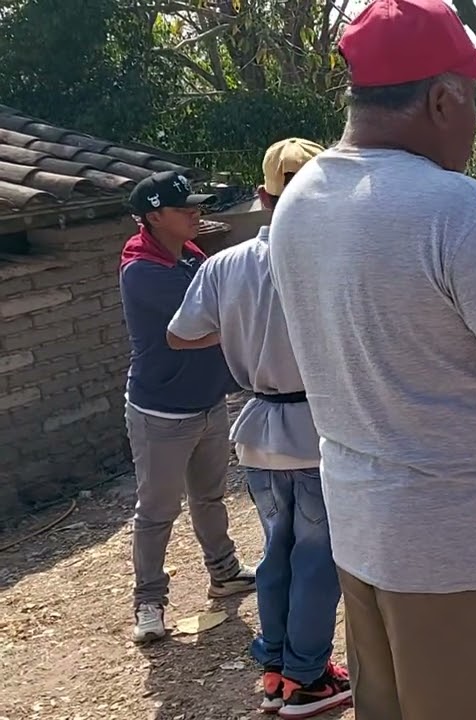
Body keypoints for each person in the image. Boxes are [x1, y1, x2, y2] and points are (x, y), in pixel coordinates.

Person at [265, 1, 476, 718]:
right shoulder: (455, 208)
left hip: (367, 533)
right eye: (475, 98)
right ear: (442, 98)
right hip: (467, 552)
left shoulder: (300, 196)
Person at [167, 138, 349, 718]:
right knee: (318, 558)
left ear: (264, 195)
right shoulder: (333, 257)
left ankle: (274, 672)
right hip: (318, 426)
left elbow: (180, 333)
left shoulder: (224, 264)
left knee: (278, 550)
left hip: (260, 426)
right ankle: (307, 678)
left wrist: (243, 329)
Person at [119, 170, 255, 645]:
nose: (197, 215)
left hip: (206, 403)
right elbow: (200, 327)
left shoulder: (189, 258)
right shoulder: (143, 272)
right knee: (156, 511)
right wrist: (249, 328)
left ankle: (224, 572)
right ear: (155, 217)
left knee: (210, 496)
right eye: (185, 209)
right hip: (162, 412)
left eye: (198, 207)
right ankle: (149, 602)